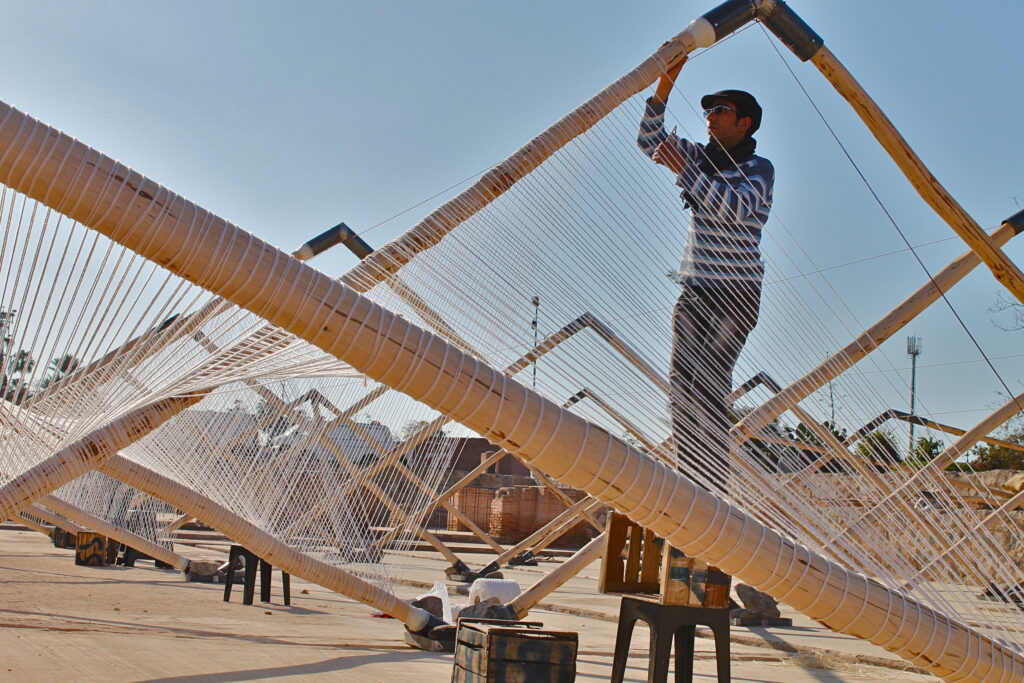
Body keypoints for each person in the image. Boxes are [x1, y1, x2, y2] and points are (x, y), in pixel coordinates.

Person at [638, 57, 774, 494]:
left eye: (721, 111)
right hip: (695, 288)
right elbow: (648, 141)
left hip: (735, 292)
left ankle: (713, 489)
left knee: (709, 385)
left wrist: (685, 169)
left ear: (745, 123)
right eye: (708, 112)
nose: (710, 118)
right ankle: (691, 483)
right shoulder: (701, 158)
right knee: (681, 383)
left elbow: (733, 208)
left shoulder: (758, 168)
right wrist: (666, 83)